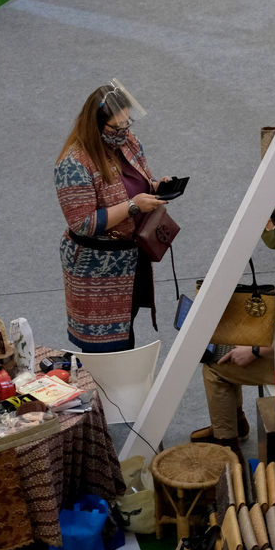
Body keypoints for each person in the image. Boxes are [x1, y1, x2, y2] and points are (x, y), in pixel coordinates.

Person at [190, 206, 275, 451]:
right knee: (230, 341)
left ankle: (228, 445)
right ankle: (233, 423)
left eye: (267, 226)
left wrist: (255, 350)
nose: (265, 234)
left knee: (215, 366)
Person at [55, 82, 167, 352]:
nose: (123, 133)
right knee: (105, 353)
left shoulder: (128, 141)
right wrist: (132, 206)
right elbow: (82, 224)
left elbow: (140, 177)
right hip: (96, 272)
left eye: (127, 124)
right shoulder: (74, 163)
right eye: (116, 128)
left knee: (126, 338)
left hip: (130, 261)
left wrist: (155, 185)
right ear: (95, 125)